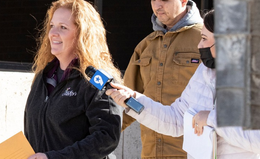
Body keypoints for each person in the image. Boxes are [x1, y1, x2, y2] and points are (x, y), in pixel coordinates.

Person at [107, 10, 260, 158]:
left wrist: (211, 119)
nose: (199, 45)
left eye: (205, 39)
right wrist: (132, 100)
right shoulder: (203, 72)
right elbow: (176, 119)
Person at [24, 0, 123, 159]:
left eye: (63, 27)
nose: (53, 33)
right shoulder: (43, 77)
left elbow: (106, 137)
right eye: (52, 26)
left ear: (82, 35)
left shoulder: (97, 80)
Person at [121, 0, 203, 158]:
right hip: (151, 153)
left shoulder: (206, 40)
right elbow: (125, 104)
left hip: (191, 153)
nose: (157, 6)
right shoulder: (145, 46)